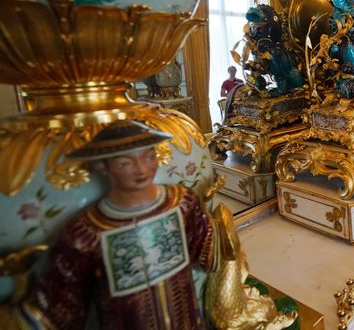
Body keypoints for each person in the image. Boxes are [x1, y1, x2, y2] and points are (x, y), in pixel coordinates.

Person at [16, 120, 216, 329]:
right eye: (125, 163)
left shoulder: (182, 204)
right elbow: (63, 300)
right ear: (102, 166)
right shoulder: (88, 232)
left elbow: (207, 252)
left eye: (149, 157)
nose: (141, 170)